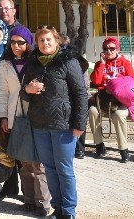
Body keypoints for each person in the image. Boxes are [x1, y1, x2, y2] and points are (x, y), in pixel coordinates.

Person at [22, 26, 88, 219]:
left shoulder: (68, 61)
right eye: (41, 41)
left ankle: (68, 212)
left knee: (64, 169)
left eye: (49, 40)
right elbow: (23, 93)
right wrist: (28, 89)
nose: (45, 43)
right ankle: (57, 208)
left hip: (64, 126)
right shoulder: (33, 63)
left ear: (57, 41)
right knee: (49, 168)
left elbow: (80, 94)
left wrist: (79, 124)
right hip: (40, 125)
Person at [0, 26, 53, 216]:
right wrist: (3, 116)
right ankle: (28, 200)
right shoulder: (5, 64)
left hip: (36, 116)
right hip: (15, 117)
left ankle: (43, 204)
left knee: (39, 164)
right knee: (24, 163)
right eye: (12, 42)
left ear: (28, 43)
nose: (16, 46)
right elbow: (3, 93)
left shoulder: (36, 62)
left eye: (20, 42)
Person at [88, 35, 134, 162]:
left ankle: (123, 149)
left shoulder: (125, 64)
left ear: (117, 50)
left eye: (112, 48)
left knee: (119, 115)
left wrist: (118, 87)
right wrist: (102, 64)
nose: (108, 51)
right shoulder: (100, 64)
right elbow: (96, 80)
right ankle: (99, 145)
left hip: (120, 101)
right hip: (104, 100)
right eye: (105, 49)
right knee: (92, 111)